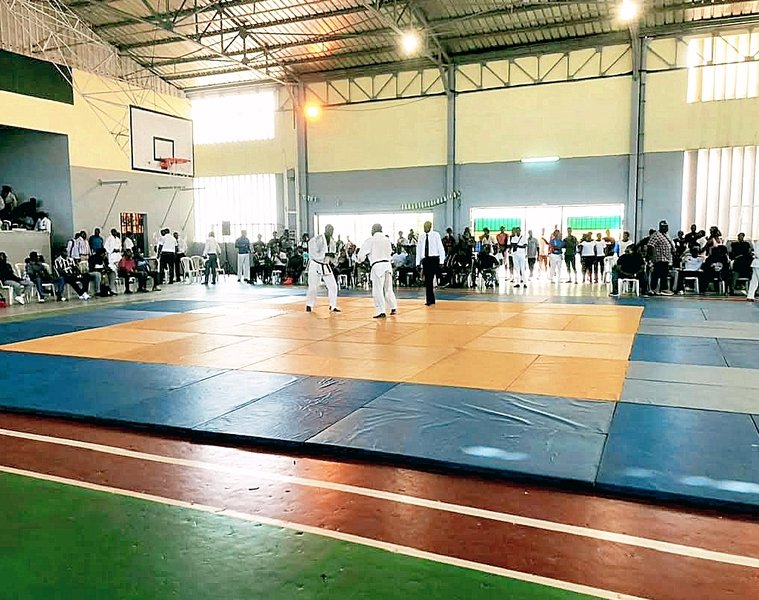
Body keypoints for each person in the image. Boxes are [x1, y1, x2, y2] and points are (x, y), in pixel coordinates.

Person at [359, 223, 398, 318]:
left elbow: (361, 255)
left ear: (373, 230)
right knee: (388, 289)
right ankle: (393, 307)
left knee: (378, 290)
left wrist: (361, 260)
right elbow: (390, 252)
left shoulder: (370, 240)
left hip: (377, 266)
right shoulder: (387, 240)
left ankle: (381, 311)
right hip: (388, 265)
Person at [306, 224, 340, 313]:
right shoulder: (318, 239)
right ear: (325, 230)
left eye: (332, 230)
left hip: (325, 265)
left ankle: (333, 305)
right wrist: (325, 254)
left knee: (333, 286)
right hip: (315, 264)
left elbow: (332, 255)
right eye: (329, 229)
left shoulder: (332, 241)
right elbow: (312, 251)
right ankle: (309, 304)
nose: (330, 231)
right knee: (313, 286)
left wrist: (335, 260)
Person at [416, 221, 445, 306]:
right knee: (428, 280)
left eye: (427, 226)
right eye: (424, 226)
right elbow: (419, 250)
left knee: (436, 277)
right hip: (426, 259)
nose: (425, 228)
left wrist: (442, 261)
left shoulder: (436, 235)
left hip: (434, 258)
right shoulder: (421, 237)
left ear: (430, 227)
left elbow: (440, 248)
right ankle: (430, 300)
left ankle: (441, 282)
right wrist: (418, 262)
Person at [647, 220, 675, 295]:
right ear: (660, 227)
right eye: (664, 227)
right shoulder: (656, 235)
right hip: (659, 258)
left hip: (666, 259)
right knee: (657, 274)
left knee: (663, 274)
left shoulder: (666, 235)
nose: (666, 228)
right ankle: (656, 289)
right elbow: (650, 246)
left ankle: (660, 289)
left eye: (666, 226)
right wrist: (652, 257)